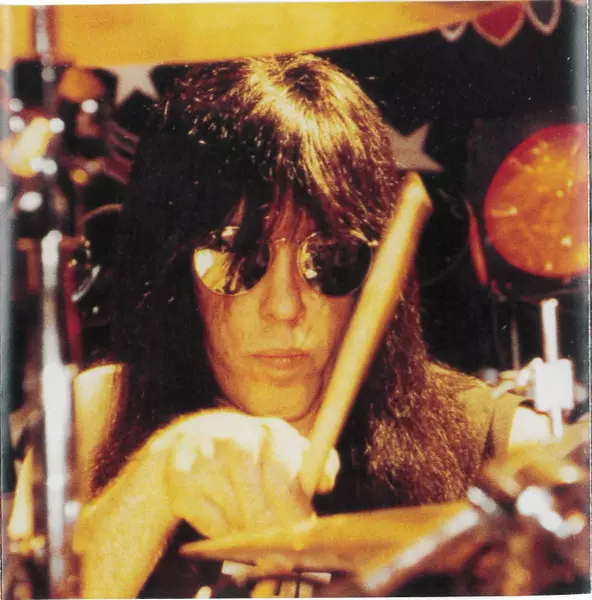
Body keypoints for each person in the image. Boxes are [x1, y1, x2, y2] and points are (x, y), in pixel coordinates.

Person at [70, 54, 552, 598]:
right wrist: (156, 482)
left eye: (327, 258)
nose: (284, 306)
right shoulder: (101, 413)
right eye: (238, 257)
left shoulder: (500, 449)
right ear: (175, 271)